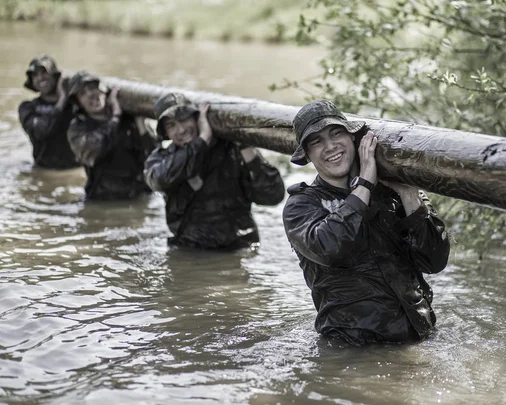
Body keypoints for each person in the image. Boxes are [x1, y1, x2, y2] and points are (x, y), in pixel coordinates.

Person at [282, 100, 450, 346]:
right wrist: (365, 184)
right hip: (353, 348)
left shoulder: (393, 192)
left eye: (336, 133)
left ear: (353, 138)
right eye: (317, 141)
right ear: (307, 155)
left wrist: (409, 196)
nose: (330, 146)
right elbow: (330, 247)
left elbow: (435, 262)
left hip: (419, 339)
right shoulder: (301, 206)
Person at [144, 92, 285, 250]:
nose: (181, 129)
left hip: (239, 248)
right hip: (191, 249)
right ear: (166, 133)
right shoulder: (163, 159)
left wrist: (246, 148)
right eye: (171, 126)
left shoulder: (231, 150)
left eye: (184, 119)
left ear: (197, 118)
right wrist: (203, 140)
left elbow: (273, 195)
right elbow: (158, 180)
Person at [67, 71, 158, 201]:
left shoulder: (129, 119)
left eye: (93, 88)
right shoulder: (78, 128)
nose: (91, 94)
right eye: (83, 93)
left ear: (103, 91)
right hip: (104, 199)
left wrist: (141, 125)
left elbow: (155, 158)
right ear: (78, 102)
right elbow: (96, 148)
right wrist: (115, 116)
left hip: (138, 196)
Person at [18, 55, 80, 170]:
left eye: (44, 72)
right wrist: (61, 100)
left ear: (56, 76)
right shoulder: (28, 108)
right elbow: (41, 132)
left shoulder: (75, 105)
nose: (40, 78)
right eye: (35, 75)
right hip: (44, 170)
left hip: (75, 169)